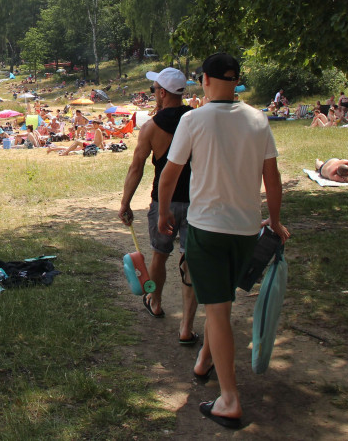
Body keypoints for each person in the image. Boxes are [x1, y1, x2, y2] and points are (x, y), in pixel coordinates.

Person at [157, 53, 288, 429]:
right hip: (246, 231)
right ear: (235, 81)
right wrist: (274, 222)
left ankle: (229, 399)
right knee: (222, 302)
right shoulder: (257, 118)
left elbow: (170, 174)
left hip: (207, 230)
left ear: (205, 80)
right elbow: (273, 178)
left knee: (215, 310)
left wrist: (165, 212)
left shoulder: (194, 119)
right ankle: (203, 361)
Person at [118, 67, 198, 343]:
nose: (154, 94)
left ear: (162, 93)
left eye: (154, 90)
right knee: (190, 261)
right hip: (197, 203)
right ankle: (186, 327)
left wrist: (125, 203)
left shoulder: (151, 127)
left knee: (159, 255)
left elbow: (136, 167)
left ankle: (156, 302)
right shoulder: (198, 121)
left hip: (164, 202)